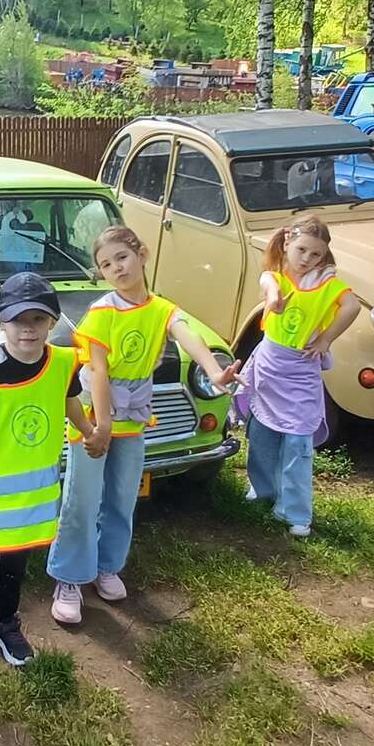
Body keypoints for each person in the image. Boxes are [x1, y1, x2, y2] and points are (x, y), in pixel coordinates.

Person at [47, 225, 235, 626]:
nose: (116, 268)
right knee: (81, 500)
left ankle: (107, 566)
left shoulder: (161, 309)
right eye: (106, 264)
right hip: (94, 419)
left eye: (122, 257)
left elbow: (188, 336)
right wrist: (101, 427)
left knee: (122, 496)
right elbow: (98, 372)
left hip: (132, 419)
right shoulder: (102, 312)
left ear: (142, 254)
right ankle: (69, 578)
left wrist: (213, 370)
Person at [0, 273, 95, 679]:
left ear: (53, 322)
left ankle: (4, 623)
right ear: (1, 322)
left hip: (35, 497)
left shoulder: (62, 363)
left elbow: (70, 403)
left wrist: (89, 432)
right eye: (18, 319)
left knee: (16, 567)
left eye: (38, 319)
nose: (28, 328)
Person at [238, 215, 362, 536]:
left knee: (298, 441)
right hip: (270, 367)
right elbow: (269, 289)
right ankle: (262, 488)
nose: (307, 259)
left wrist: (326, 339)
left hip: (301, 372)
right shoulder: (275, 277)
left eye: (315, 254)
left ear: (324, 256)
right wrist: (274, 301)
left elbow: (352, 307)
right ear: (287, 244)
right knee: (261, 432)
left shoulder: (329, 285)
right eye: (301, 250)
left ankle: (295, 511)